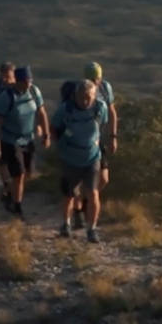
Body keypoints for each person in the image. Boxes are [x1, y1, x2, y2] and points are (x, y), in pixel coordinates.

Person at [53, 76, 111, 242]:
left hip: (92, 158)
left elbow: (102, 125)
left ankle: (91, 229)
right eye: (82, 97)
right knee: (69, 194)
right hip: (70, 158)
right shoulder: (66, 109)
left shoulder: (100, 108)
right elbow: (55, 127)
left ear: (94, 96)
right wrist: (60, 146)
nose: (85, 101)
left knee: (93, 193)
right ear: (75, 96)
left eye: (89, 97)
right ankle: (66, 224)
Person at [0, 64, 49, 216]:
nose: (28, 84)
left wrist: (46, 134)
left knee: (28, 173)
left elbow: (41, 112)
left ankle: (8, 192)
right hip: (10, 140)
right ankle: (17, 207)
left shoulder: (34, 92)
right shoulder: (6, 98)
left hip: (28, 139)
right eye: (25, 81)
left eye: (30, 81)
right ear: (18, 81)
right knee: (19, 174)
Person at [79, 61, 118, 227]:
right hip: (84, 140)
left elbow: (112, 112)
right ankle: (82, 209)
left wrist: (113, 136)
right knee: (82, 178)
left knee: (104, 179)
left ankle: (85, 201)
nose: (95, 82)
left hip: (100, 138)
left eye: (97, 79)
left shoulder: (105, 88)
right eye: (92, 79)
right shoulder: (80, 90)